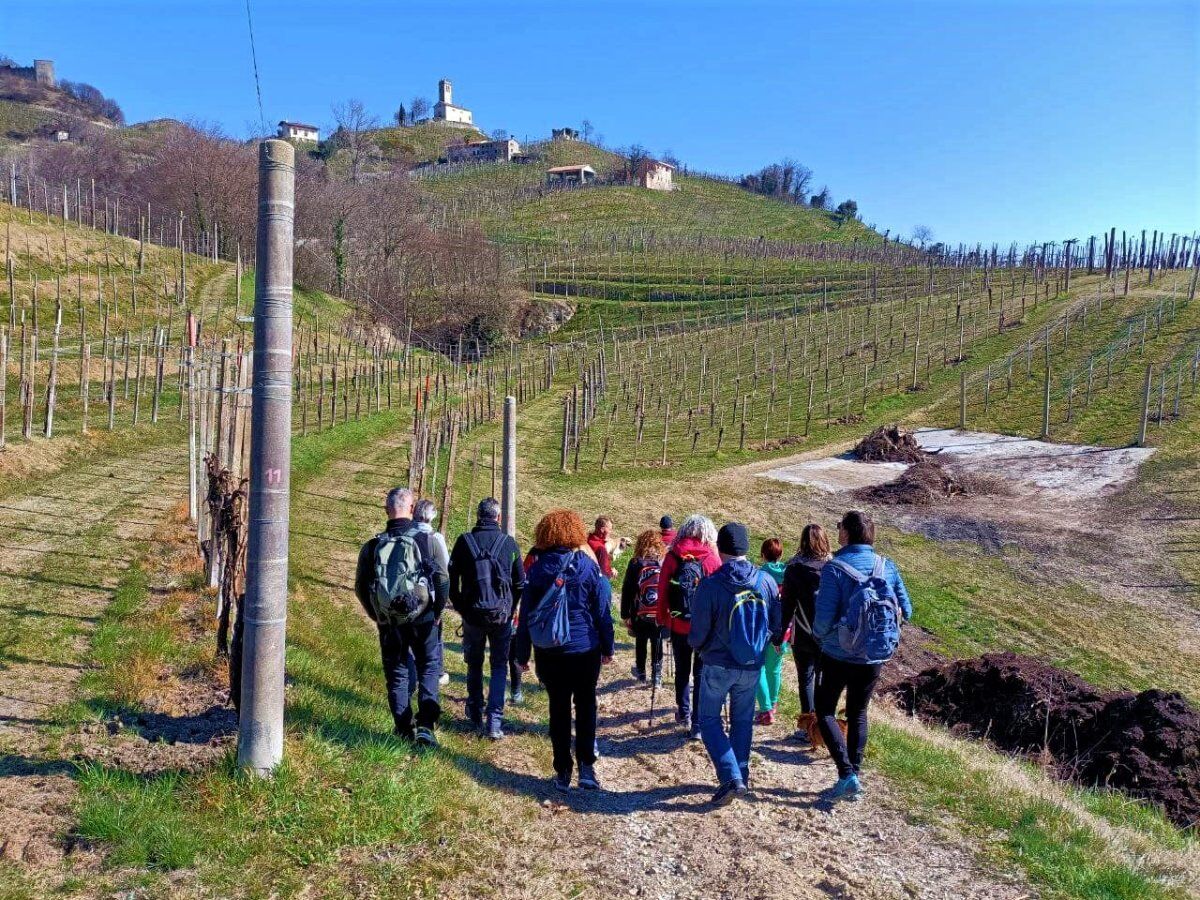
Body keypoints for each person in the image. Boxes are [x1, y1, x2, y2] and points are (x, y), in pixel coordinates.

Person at [813, 510, 912, 800]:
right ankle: (854, 773)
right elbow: (907, 610)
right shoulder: (887, 566)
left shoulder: (834, 568)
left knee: (825, 710)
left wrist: (826, 635)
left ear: (846, 533)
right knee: (858, 712)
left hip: (837, 654)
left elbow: (821, 622)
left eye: (840, 527)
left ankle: (846, 774)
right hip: (873, 656)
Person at [516, 509, 615, 792]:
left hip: (549, 652)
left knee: (557, 709)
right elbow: (601, 613)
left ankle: (562, 772)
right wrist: (607, 647)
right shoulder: (586, 566)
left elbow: (525, 618)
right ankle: (587, 768)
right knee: (586, 706)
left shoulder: (536, 569)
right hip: (585, 649)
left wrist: (522, 655)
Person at [690, 522, 782, 805]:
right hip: (752, 664)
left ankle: (730, 777)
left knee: (708, 720)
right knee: (743, 720)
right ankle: (741, 771)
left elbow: (698, 633)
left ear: (720, 548)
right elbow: (777, 623)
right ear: (747, 548)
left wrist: (700, 647)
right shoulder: (765, 581)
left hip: (717, 663)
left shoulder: (711, 584)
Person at [354, 487, 450, 746]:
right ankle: (426, 726)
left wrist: (377, 616)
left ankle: (403, 728)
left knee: (397, 674)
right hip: (423, 618)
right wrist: (437, 610)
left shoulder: (373, 545)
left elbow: (361, 588)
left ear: (387, 510)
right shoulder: (428, 541)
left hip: (389, 622)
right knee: (428, 666)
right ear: (412, 509)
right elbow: (442, 580)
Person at [449, 497, 525, 740]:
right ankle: (494, 721)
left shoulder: (464, 542)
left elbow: (451, 581)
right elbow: (520, 582)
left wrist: (462, 607)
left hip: (472, 614)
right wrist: (511, 608)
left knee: (474, 663)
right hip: (501, 617)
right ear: (498, 518)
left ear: (478, 516)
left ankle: (474, 711)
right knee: (499, 665)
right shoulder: (509, 544)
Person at [656, 514, 721, 739]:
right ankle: (698, 724)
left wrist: (662, 618)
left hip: (678, 622)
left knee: (682, 670)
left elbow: (662, 588)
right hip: (704, 627)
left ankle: (683, 712)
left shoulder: (673, 556)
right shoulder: (711, 556)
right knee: (701, 673)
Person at [781, 523, 832, 742]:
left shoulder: (794, 568)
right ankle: (826, 726)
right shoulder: (833, 567)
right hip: (828, 635)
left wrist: (778, 634)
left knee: (806, 680)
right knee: (826, 681)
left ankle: (809, 727)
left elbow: (787, 606)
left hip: (802, 633)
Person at [414, 499, 452, 688]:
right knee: (433, 636)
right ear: (433, 516)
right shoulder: (435, 539)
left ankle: (412, 671)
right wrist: (440, 608)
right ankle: (436, 672)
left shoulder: (405, 535)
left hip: (406, 597)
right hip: (428, 598)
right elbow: (444, 573)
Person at [620, 529, 666, 685]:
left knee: (641, 641)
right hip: (659, 612)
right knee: (657, 641)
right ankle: (657, 676)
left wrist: (625, 614)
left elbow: (627, 590)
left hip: (640, 612)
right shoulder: (663, 562)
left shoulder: (635, 563)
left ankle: (641, 673)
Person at [754, 538, 789, 725]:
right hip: (784, 630)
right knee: (774, 669)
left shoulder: (759, 576)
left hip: (762, 630)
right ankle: (773, 704)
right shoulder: (789, 575)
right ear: (781, 554)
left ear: (762, 555)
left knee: (758, 667)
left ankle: (766, 710)